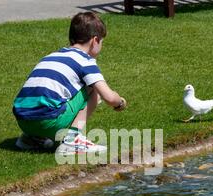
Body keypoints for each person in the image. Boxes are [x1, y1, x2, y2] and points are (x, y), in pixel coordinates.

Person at [12, 12, 127, 154]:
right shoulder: (85, 61)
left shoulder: (51, 56)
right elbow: (109, 97)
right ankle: (72, 140)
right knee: (94, 89)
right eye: (102, 41)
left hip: (23, 119)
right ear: (95, 40)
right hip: (49, 121)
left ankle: (31, 138)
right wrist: (120, 102)